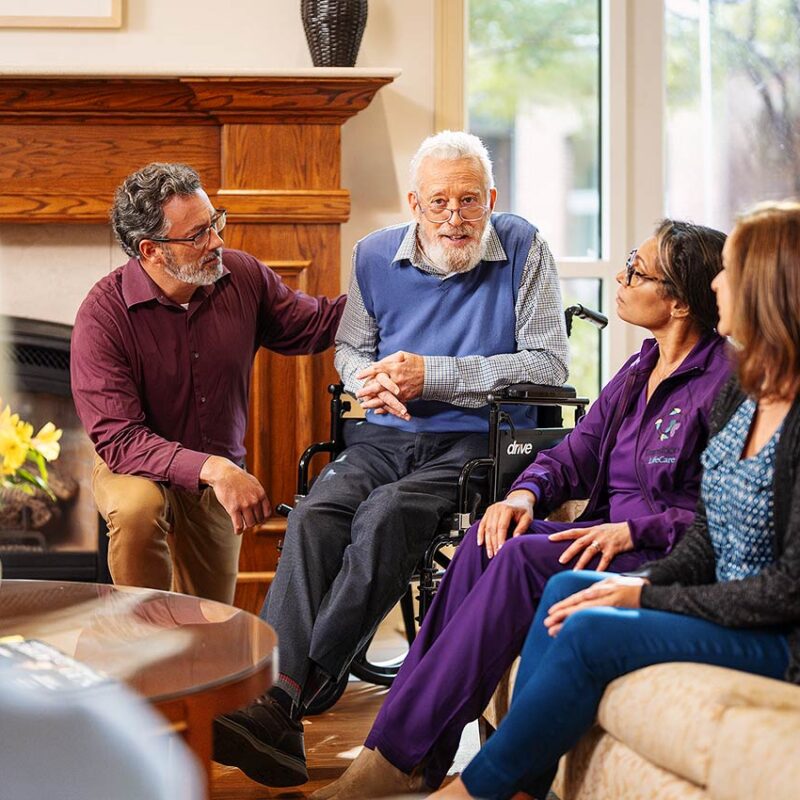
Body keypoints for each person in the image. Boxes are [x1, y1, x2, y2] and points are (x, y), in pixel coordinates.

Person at [313, 219, 731, 799]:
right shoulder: (639, 368)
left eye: (637, 270)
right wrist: (522, 494)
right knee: (487, 541)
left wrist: (632, 528)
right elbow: (572, 454)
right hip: (600, 534)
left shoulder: (724, 382)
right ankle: (408, 755)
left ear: (680, 301)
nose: (621, 274)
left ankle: (396, 757)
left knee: (520, 559)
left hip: (655, 549)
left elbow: (724, 515)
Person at [211, 130, 570, 787]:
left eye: (469, 201)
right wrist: (365, 380)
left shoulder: (524, 247)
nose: (455, 218)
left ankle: (289, 696)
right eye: (438, 203)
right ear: (413, 203)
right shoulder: (374, 255)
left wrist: (430, 374)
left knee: (388, 515)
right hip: (384, 435)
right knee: (317, 515)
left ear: (491, 197)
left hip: (480, 440)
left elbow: (548, 363)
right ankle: (284, 695)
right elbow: (351, 348)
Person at [430, 200, 800, 800]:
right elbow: (708, 533)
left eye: (729, 271)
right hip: (711, 590)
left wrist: (650, 590)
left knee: (588, 629)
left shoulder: (757, 399)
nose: (718, 285)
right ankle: (519, 785)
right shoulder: (747, 398)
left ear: (766, 289)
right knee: (564, 591)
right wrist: (635, 585)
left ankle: (479, 791)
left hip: (781, 635)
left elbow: (787, 589)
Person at [71, 162, 344, 605]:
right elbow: (119, 438)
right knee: (137, 510)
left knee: (209, 622)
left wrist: (394, 292)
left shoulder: (243, 277)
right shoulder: (104, 315)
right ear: (151, 250)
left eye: (215, 221)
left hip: (217, 480)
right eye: (198, 234)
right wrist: (214, 468)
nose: (217, 241)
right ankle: (138, 641)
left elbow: (314, 324)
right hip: (136, 467)